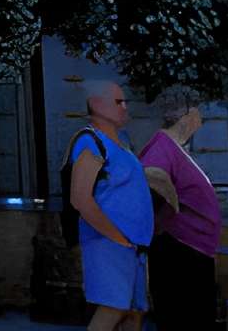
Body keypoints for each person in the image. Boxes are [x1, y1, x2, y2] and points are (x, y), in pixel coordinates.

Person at [66, 77, 153, 331]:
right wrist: (118, 238)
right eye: (118, 102)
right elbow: (80, 198)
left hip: (132, 246)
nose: (124, 107)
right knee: (112, 309)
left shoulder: (120, 143)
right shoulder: (90, 141)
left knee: (132, 313)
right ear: (96, 104)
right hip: (109, 243)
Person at [138, 87, 222, 331]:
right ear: (187, 115)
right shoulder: (163, 146)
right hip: (179, 251)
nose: (201, 119)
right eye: (199, 112)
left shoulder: (173, 146)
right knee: (183, 319)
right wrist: (171, 204)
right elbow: (151, 175)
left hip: (190, 250)